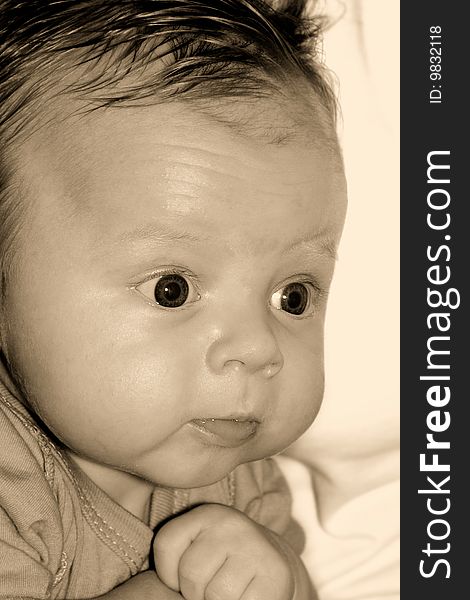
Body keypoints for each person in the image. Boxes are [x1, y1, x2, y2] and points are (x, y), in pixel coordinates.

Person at [0, 1, 347, 598]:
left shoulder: (245, 483)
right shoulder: (13, 488)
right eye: (173, 290)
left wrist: (288, 582)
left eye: (292, 296)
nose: (258, 349)